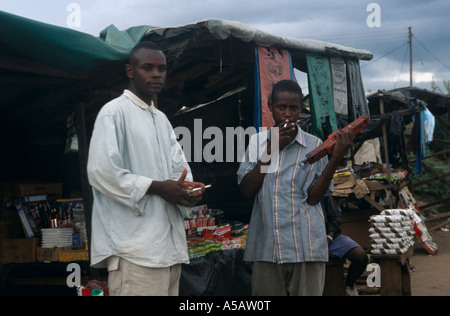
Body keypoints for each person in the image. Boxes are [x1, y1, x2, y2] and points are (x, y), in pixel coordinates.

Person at [87, 41, 205, 296]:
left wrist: (187, 190)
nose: (156, 74)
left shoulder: (160, 119)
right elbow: (101, 172)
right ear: (130, 71)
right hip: (135, 252)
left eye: (161, 69)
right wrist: (157, 187)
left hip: (169, 251)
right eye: (147, 68)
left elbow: (179, 169)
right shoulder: (114, 113)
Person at [237, 79, 354, 296]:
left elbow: (314, 198)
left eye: (293, 108)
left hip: (306, 247)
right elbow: (247, 189)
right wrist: (272, 149)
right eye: (282, 107)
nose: (287, 114)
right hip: (267, 248)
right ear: (271, 105)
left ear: (301, 108)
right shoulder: (257, 143)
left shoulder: (314, 145)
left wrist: (335, 159)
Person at [322, 195, 369, 296]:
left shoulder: (324, 193)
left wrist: (329, 237)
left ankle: (349, 285)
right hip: (307, 240)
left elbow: (335, 218)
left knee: (361, 256)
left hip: (331, 237)